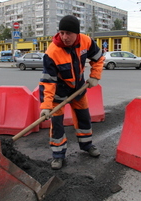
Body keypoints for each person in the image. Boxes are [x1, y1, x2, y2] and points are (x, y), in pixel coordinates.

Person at [39, 15, 104, 170]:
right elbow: (48, 81)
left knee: (84, 118)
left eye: (68, 33)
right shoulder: (52, 52)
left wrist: (94, 76)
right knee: (56, 124)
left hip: (78, 88)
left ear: (77, 33)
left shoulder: (86, 41)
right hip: (59, 91)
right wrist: (46, 106)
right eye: (61, 32)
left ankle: (87, 145)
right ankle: (58, 155)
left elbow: (98, 58)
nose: (64, 37)